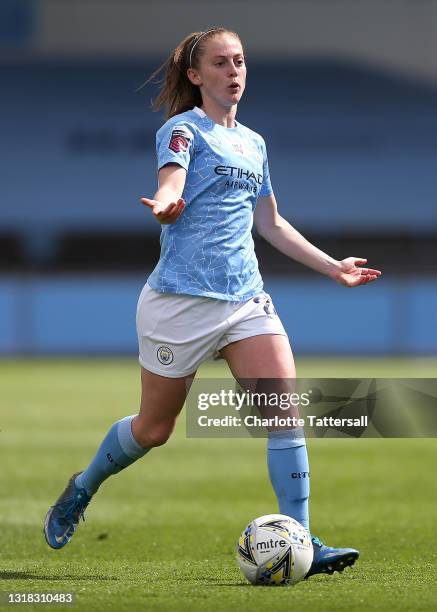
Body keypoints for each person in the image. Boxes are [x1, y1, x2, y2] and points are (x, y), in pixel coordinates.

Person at [44, 28, 381, 578]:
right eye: (221, 63)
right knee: (154, 430)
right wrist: (169, 204)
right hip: (179, 303)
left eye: (240, 61)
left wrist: (332, 267)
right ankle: (83, 487)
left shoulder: (254, 143)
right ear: (197, 76)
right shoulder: (183, 130)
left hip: (246, 299)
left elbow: (268, 221)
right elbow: (172, 180)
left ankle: (301, 538)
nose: (234, 71)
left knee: (283, 413)